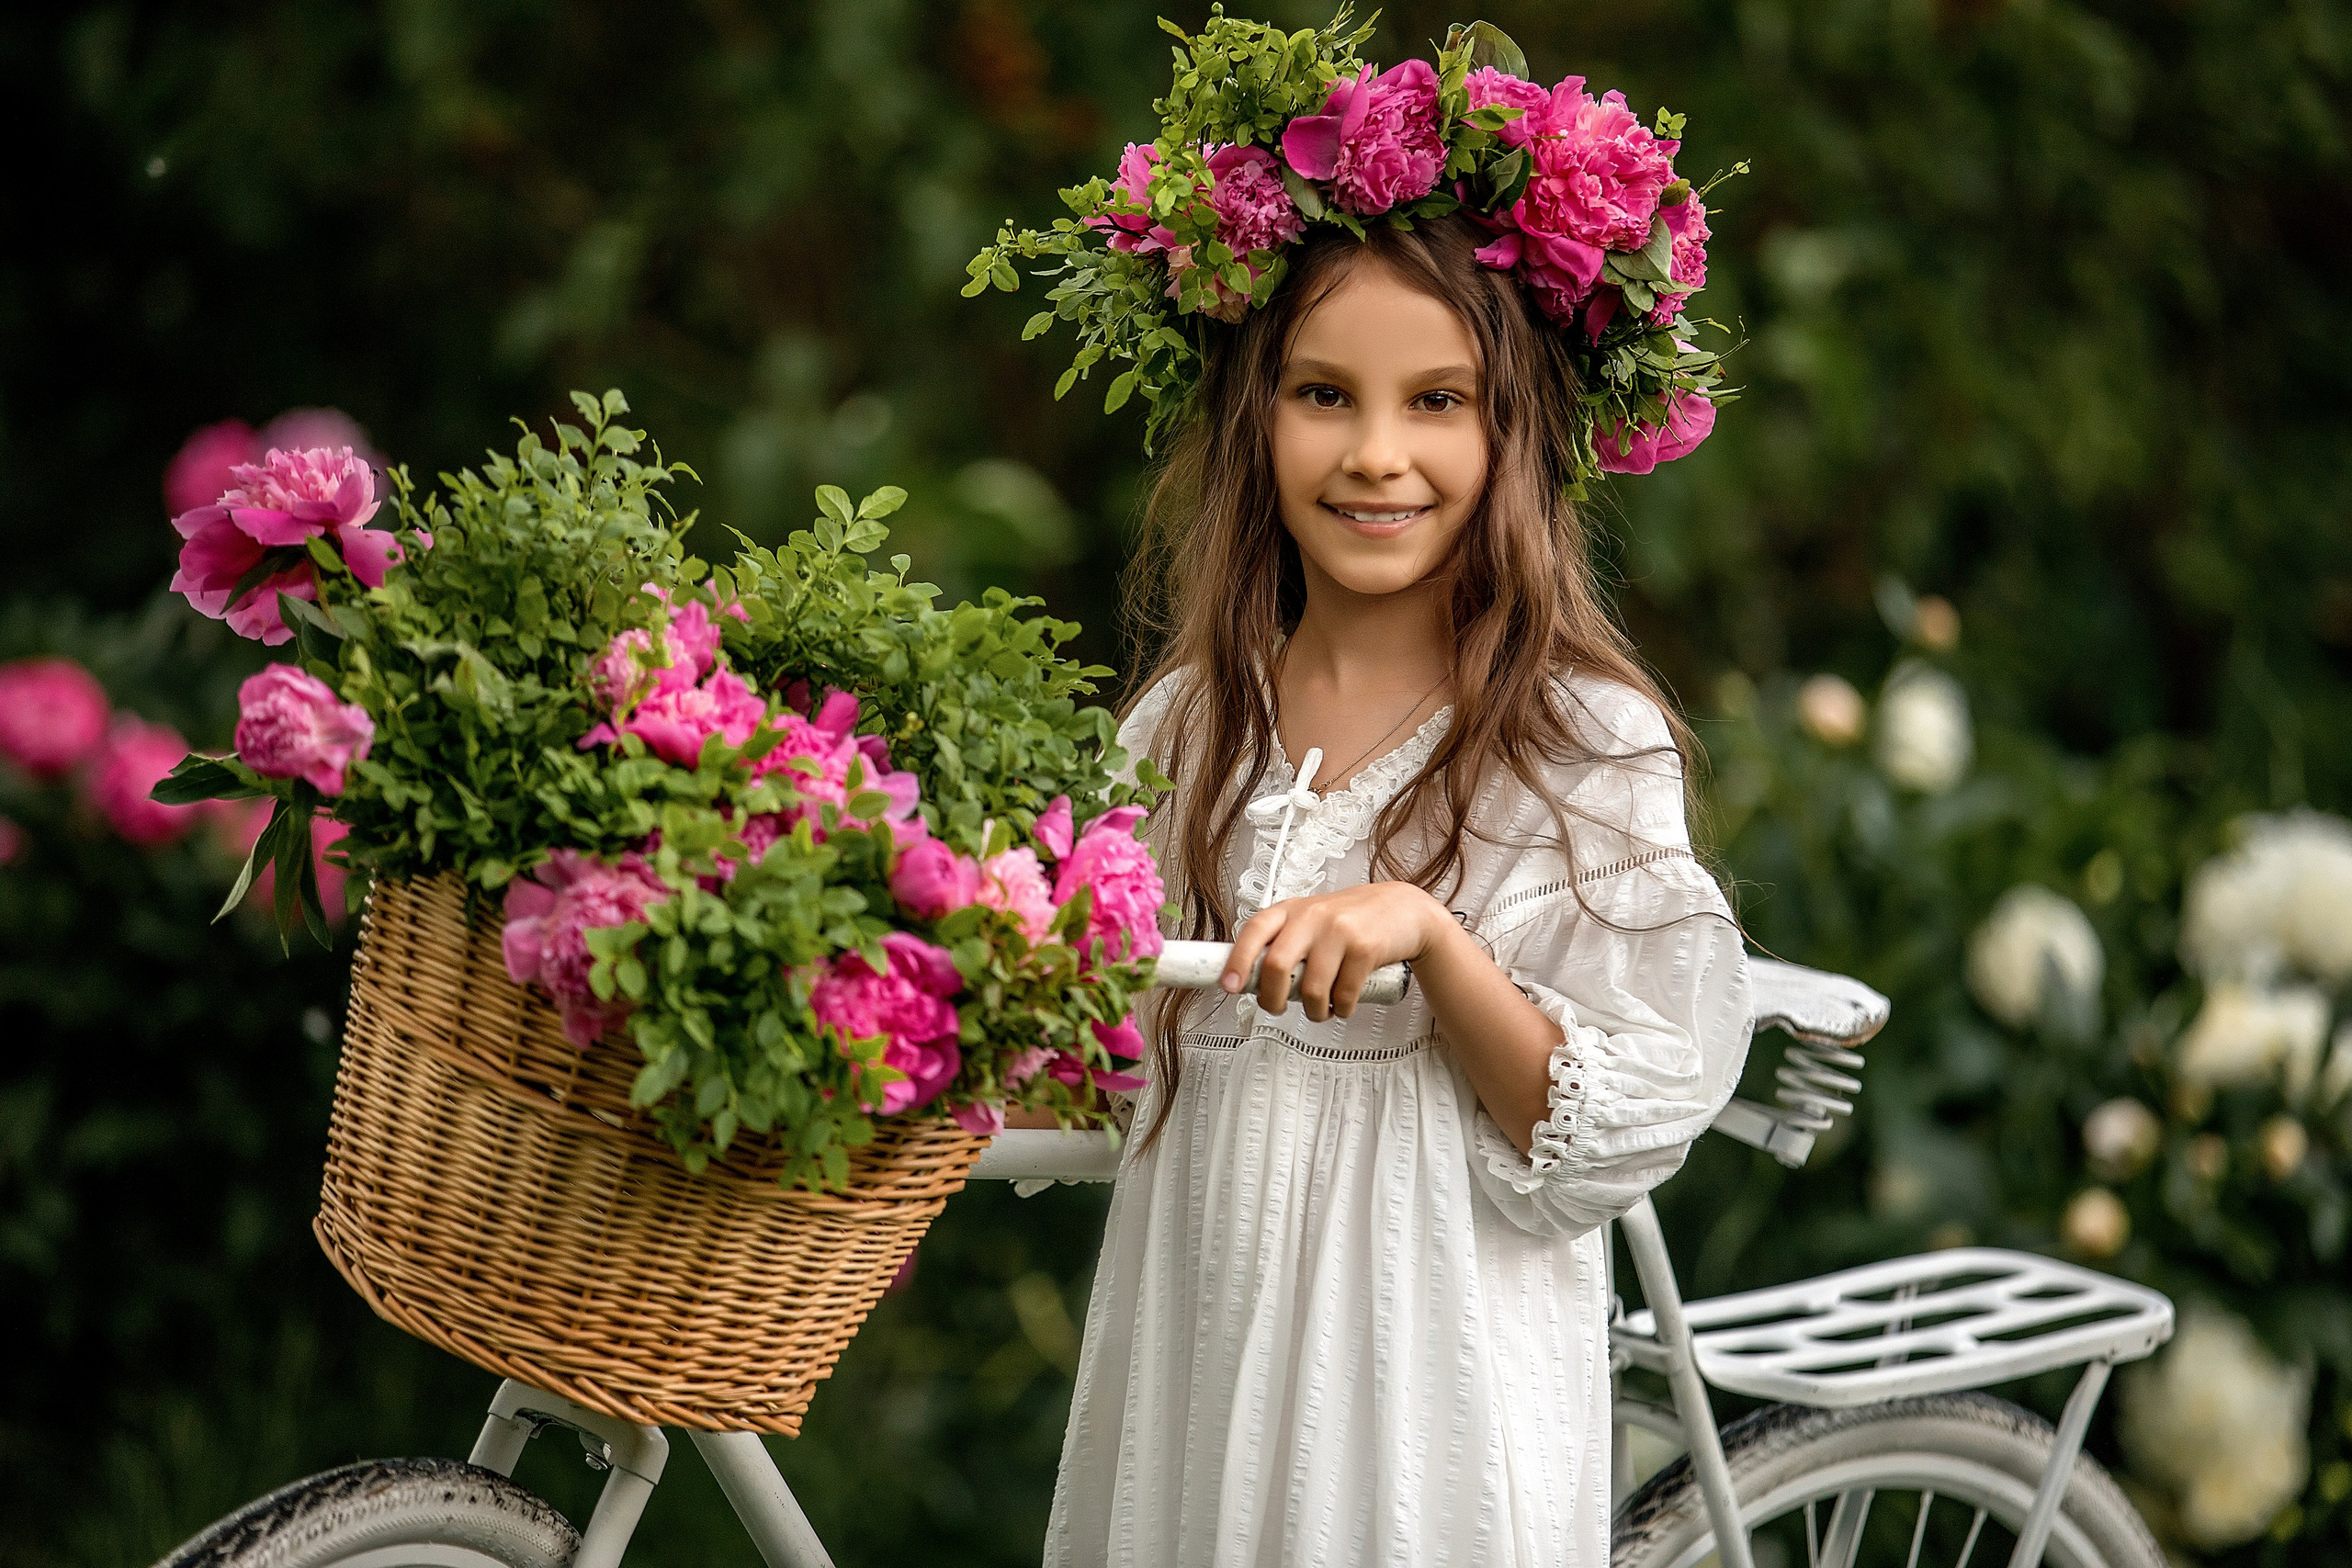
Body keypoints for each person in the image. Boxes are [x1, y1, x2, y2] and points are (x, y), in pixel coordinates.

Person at [978, 23, 1753, 1565]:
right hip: (1198, 1380)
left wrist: (1434, 937)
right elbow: (1106, 1068)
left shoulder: (1572, 745)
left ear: (1513, 430)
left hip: (1423, 1408)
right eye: (1325, 395)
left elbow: (1602, 1137)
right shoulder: (1191, 731)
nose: (1378, 455)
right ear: (1254, 419)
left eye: (1439, 403)